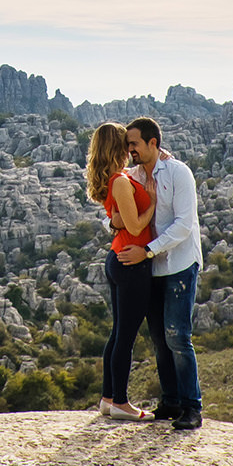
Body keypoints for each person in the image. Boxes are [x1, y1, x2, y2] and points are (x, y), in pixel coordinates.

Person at [115, 115, 203, 430]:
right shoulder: (131, 177)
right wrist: (116, 223)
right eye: (128, 145)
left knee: (177, 336)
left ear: (153, 142)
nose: (130, 150)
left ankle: (192, 407)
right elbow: (115, 215)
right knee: (158, 338)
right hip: (150, 267)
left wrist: (148, 249)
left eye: (134, 144)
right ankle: (170, 402)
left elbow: (184, 223)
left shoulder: (179, 173)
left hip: (178, 263)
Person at [86, 122, 156, 421]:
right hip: (131, 262)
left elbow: (119, 219)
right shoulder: (121, 181)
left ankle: (107, 398)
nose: (130, 149)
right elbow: (137, 225)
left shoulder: (118, 179)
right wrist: (152, 200)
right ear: (118, 147)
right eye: (126, 144)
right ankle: (121, 402)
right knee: (125, 337)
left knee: (117, 334)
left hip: (119, 257)